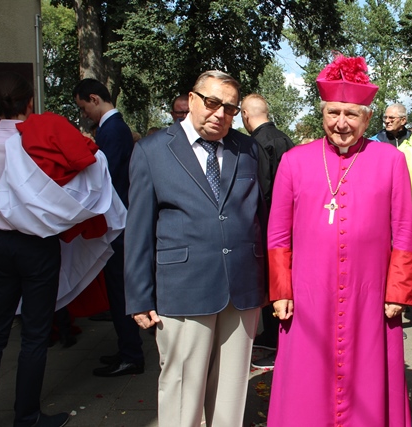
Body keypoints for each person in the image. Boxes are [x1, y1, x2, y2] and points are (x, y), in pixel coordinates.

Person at [267, 55, 412, 426]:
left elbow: (403, 229)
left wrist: (398, 292)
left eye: (351, 114)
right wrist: (281, 290)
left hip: (370, 294)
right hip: (308, 294)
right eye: (333, 112)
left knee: (368, 376)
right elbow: (278, 232)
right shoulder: (294, 160)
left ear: (367, 118)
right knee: (307, 380)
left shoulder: (391, 160)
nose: (341, 123)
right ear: (322, 113)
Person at [125, 70, 266, 427]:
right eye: (212, 103)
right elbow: (138, 228)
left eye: (230, 108)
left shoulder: (247, 148)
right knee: (181, 392)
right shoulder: (152, 150)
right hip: (184, 288)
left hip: (242, 290)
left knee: (231, 393)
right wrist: (139, 296)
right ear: (191, 99)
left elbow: (260, 217)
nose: (220, 114)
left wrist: (267, 281)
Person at [0, 72, 69, 427]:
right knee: (34, 334)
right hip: (38, 244)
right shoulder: (38, 143)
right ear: (30, 103)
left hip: (1, 243)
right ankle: (27, 416)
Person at [73, 78, 144, 377]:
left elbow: (106, 179)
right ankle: (126, 348)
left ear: (94, 98)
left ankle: (131, 354)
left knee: (119, 291)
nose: (84, 114)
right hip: (118, 221)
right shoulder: (113, 128)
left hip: (117, 223)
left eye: (83, 107)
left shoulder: (112, 130)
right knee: (117, 291)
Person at [241, 93, 294, 369]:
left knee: (270, 279)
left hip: (268, 222)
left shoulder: (256, 144)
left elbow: (261, 189)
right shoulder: (285, 139)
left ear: (245, 115)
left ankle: (275, 339)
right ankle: (272, 335)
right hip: (289, 221)